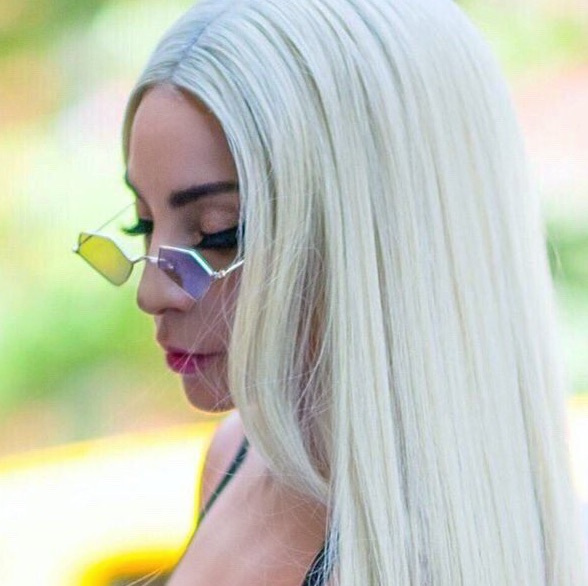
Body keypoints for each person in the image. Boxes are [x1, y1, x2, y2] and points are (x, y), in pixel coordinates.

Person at [74, 0, 587, 583]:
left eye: (220, 231)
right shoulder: (237, 455)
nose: (151, 292)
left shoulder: (424, 554)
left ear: (380, 236)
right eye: (142, 224)